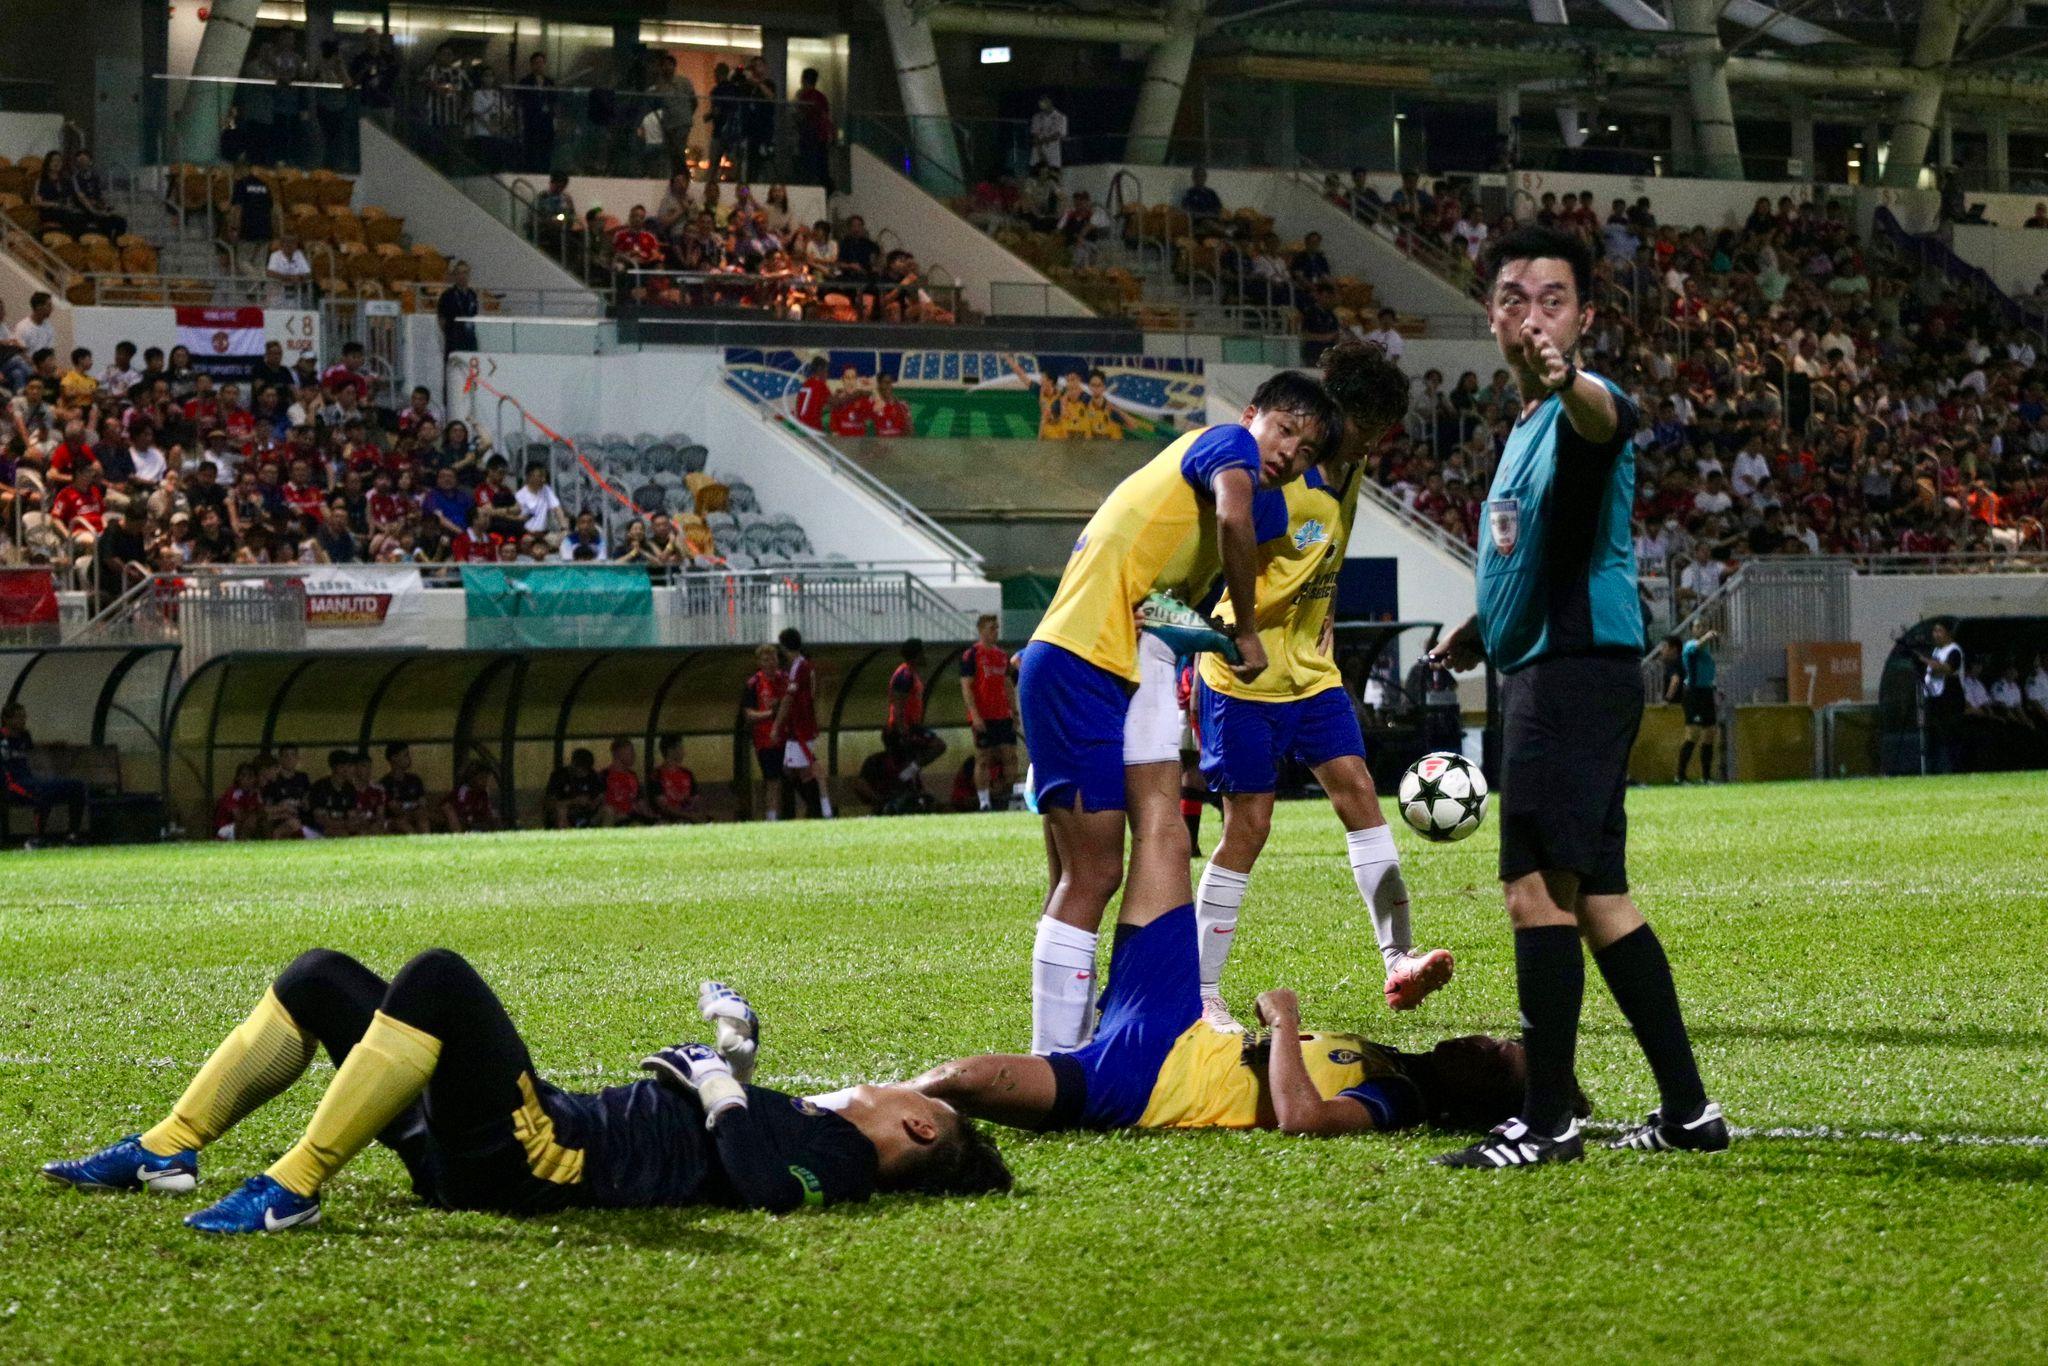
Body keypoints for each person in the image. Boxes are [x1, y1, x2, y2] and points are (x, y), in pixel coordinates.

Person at [1426, 225, 1724, 1168]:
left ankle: (1547, 1121)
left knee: (1533, 892)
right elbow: (1526, 550)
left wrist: (1568, 380)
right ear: (1490, 316)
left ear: (1584, 318)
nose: (1532, 317)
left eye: (1552, 301)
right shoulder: (1522, 428)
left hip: (1568, 678)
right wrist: (1480, 624)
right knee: (1601, 900)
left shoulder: (1579, 406)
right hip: (1562, 671)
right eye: (1514, 299)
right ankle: (1689, 1112)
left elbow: (1607, 421)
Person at [45, 960, 1007, 1233]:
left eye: (911, 1093)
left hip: (544, 1155)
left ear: (919, 1128)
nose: (896, 1082)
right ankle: (169, 1148)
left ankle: (290, 1187)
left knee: (439, 979)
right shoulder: (820, 1126)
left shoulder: (848, 1162)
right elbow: (724, 1138)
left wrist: (718, 1081)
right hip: (507, 1141)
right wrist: (732, 1057)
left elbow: (761, 1187)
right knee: (321, 978)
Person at [1016, 371, 1342, 1055]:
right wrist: (1245, 633)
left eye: (1307, 450)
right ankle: (1056, 1063)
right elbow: (1233, 519)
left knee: (1128, 851)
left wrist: (1218, 636)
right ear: (1251, 416)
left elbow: (1161, 609)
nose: (1289, 451)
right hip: (1082, 664)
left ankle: (1103, 1032)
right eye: (1284, 429)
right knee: (1094, 873)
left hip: (1115, 664)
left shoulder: (1261, 509)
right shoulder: (1226, 446)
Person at [1191, 343, 1453, 1028]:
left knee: (1361, 794)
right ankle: (1200, 990)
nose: (1367, 445)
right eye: (1363, 430)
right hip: (1243, 675)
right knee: (1249, 827)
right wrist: (1234, 631)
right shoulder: (1276, 483)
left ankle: (1399, 959)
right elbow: (1220, 548)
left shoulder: (1350, 467)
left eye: (1377, 433)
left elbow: (1327, 548)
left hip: (1311, 672)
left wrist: (1323, 610)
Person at [911, 897, 1576, 1139]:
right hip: (1182, 1026)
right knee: (1163, 828)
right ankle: (1146, 659)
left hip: (1150, 1085)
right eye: (1499, 1040)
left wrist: (1283, 1021)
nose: (1482, 1041)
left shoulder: (1400, 1098)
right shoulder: (1392, 1062)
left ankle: (865, 1112)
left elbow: (1304, 1119)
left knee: (965, 1079)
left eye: (1495, 1059)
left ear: (1473, 1102)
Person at [0, 702, 87, 845]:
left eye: (24, 716)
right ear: (6, 719)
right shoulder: (1, 738)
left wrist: (52, 744)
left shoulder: (24, 736)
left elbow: (33, 747)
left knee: (76, 786)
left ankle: (73, 836)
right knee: (42, 793)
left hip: (29, 780)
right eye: (19, 717)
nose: (23, 720)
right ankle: (37, 838)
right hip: (12, 785)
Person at [959, 614, 1019, 811]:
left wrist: (1014, 712)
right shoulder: (971, 655)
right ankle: (984, 802)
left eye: (997, 628)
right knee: (983, 757)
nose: (996, 631)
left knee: (1010, 755)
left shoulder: (1002, 656)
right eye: (992, 628)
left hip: (1002, 715)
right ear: (981, 630)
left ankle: (1009, 797)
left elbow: (1007, 684)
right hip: (983, 716)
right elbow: (966, 687)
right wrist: (975, 715)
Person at [773, 628, 831, 819]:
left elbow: (789, 699)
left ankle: (818, 811)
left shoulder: (799, 666)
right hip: (800, 725)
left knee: (805, 772)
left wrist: (776, 726)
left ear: (783, 646)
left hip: (801, 727)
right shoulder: (803, 665)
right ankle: (815, 809)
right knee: (790, 770)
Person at [885, 637, 947, 785]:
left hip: (912, 726)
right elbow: (898, 705)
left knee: (915, 758)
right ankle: (902, 777)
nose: (925, 656)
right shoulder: (904, 675)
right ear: (917, 655)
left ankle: (908, 778)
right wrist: (903, 731)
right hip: (905, 727)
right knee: (938, 745)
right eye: (922, 653)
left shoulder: (911, 673)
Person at [741, 643, 788, 820]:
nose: (770, 663)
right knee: (772, 780)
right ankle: (771, 818)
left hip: (788, 739)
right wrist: (771, 713)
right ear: (759, 663)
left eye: (773, 658)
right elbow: (749, 714)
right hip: (766, 740)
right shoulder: (754, 683)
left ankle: (791, 815)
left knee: (792, 778)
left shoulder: (786, 679)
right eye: (766, 660)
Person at [1915, 619, 1965, 775]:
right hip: (1934, 697)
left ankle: (1953, 768)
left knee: (1951, 735)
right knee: (1934, 736)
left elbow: (1948, 668)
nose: (1935, 634)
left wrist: (1925, 661)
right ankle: (1934, 768)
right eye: (1934, 631)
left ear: (1948, 634)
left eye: (1939, 631)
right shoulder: (1936, 651)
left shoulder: (1954, 651)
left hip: (1949, 699)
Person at [1676, 624, 1719, 784]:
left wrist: (1714, 687)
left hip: (1706, 692)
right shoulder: (1690, 645)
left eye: (1703, 627)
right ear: (1692, 630)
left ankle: (1706, 777)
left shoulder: (1707, 652)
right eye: (1698, 627)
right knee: (1693, 733)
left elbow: (1707, 673)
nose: (1701, 629)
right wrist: (1707, 636)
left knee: (1710, 733)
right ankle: (1680, 776)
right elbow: (1698, 645)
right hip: (1693, 693)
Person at [595, 737, 655, 827]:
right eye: (630, 752)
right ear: (617, 753)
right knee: (609, 811)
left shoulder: (633, 775)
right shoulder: (604, 775)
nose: (633, 755)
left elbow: (639, 801)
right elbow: (599, 801)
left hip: (629, 817)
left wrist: (650, 815)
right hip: (611, 815)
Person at [543, 747, 604, 829]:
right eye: (580, 768)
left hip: (587, 812)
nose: (582, 773)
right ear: (573, 764)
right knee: (561, 809)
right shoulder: (559, 776)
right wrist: (574, 801)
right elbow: (551, 802)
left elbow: (600, 795)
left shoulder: (593, 776)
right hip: (566, 811)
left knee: (607, 809)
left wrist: (593, 802)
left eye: (585, 770)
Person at [380, 742, 431, 836]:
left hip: (414, 815)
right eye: (405, 755)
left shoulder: (415, 779)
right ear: (394, 758)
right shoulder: (385, 783)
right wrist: (413, 806)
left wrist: (409, 808)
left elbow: (423, 804)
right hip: (393, 820)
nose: (409, 758)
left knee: (422, 817)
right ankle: (417, 843)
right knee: (402, 823)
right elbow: (395, 810)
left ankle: (426, 841)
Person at [651, 733, 701, 823]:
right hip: (667, 820)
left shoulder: (688, 774)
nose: (683, 752)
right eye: (680, 748)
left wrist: (690, 813)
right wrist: (686, 815)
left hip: (688, 818)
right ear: (670, 751)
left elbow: (695, 799)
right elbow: (663, 806)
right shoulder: (657, 775)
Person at [437, 260, 481, 357]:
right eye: (459, 273)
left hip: (470, 340)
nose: (462, 276)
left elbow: (475, 315)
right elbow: (441, 320)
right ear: (455, 276)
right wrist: (450, 334)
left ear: (469, 275)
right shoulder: (447, 295)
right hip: (454, 342)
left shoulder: (472, 295)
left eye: (465, 273)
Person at [1029, 95, 1067, 171]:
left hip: (1053, 154)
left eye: (1044, 100)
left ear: (1050, 102)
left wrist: (1042, 141)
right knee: (1036, 174)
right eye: (1040, 101)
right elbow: (1035, 134)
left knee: (1053, 174)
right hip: (1037, 154)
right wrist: (1040, 151)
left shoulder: (1060, 117)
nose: (1041, 103)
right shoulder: (1036, 117)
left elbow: (1058, 135)